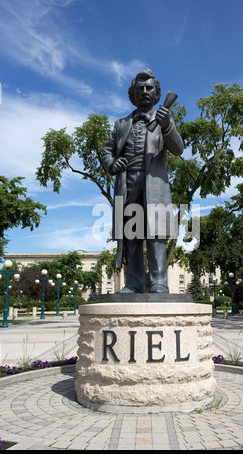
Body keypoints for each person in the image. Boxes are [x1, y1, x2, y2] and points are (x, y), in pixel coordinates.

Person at [100, 69, 184, 293]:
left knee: (156, 235)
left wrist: (167, 125)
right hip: (127, 185)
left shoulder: (164, 120)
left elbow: (178, 149)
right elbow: (106, 151)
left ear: (157, 95)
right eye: (140, 88)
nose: (145, 92)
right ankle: (134, 283)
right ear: (133, 94)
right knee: (132, 235)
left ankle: (159, 282)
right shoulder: (121, 124)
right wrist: (112, 163)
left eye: (150, 88)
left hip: (154, 185)